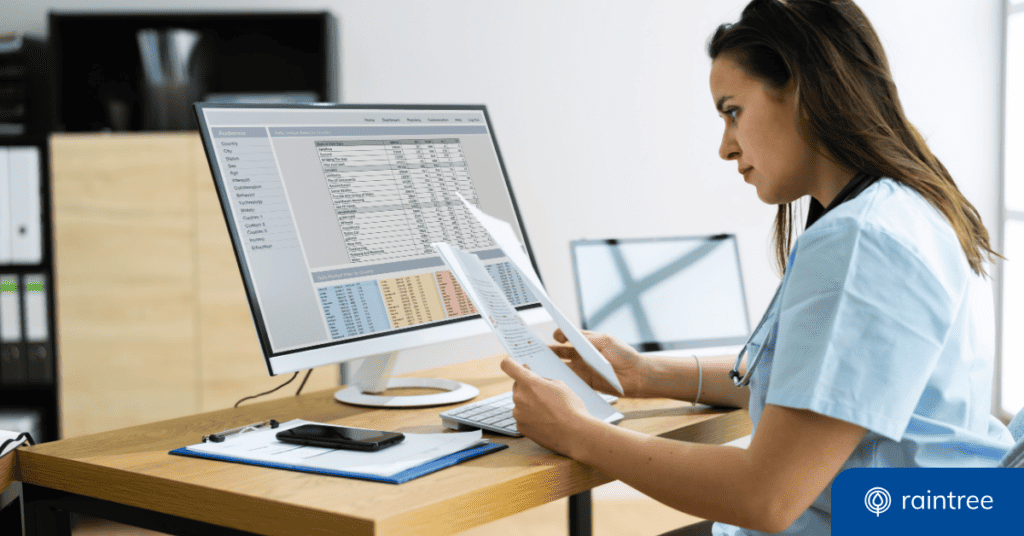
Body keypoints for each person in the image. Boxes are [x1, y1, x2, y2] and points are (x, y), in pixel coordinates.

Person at [498, 0, 1016, 534]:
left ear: (803, 91)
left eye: (732, 111)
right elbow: (820, 391)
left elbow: (764, 497)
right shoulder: (909, 206)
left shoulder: (862, 239)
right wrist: (643, 374)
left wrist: (577, 431)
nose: (726, 147)